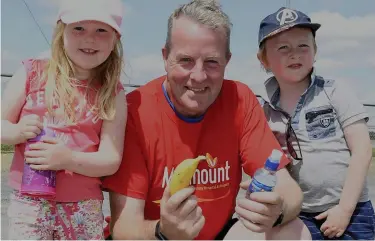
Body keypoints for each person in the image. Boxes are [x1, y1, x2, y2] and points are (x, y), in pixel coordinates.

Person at [102, 0, 311, 240]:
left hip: (217, 234)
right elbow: (124, 228)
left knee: (295, 230)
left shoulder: (239, 100)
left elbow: (290, 192)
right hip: (156, 237)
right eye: (185, 61)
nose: (198, 76)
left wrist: (276, 211)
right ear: (165, 56)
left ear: (227, 61)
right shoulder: (135, 110)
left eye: (212, 62)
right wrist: (164, 231)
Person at [1, 0, 127, 239]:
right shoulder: (32, 72)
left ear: (115, 40)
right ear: (61, 31)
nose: (89, 38)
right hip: (29, 204)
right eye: (79, 28)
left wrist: (68, 160)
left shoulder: (113, 92)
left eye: (101, 30)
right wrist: (17, 132)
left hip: (83, 206)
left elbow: (110, 159)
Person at [256, 7, 375, 240]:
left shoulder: (334, 91)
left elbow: (362, 149)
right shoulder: (263, 108)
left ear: (315, 51)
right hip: (299, 213)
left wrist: (345, 209)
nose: (295, 54)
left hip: (351, 210)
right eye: (283, 48)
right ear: (264, 60)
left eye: (303, 46)